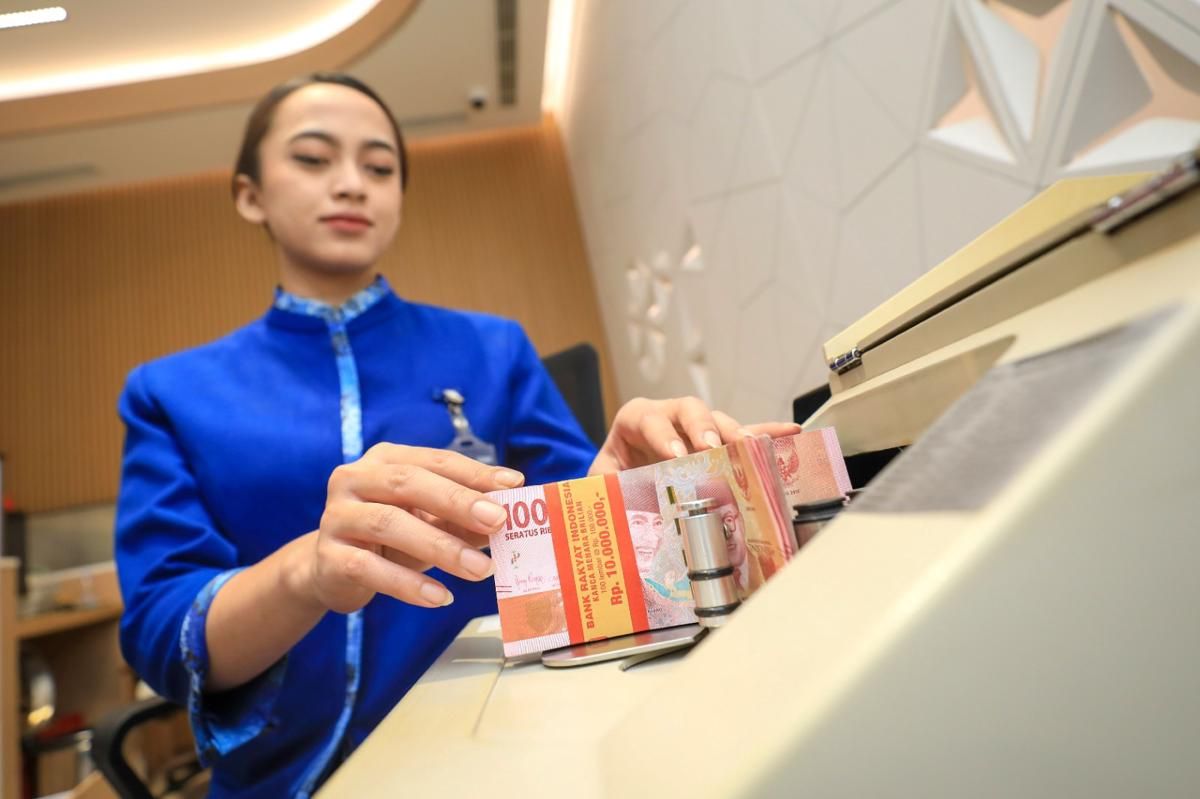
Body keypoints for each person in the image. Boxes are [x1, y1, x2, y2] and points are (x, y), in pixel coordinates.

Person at [114, 72, 799, 798]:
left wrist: (622, 501)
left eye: (380, 168)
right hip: (283, 777)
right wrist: (306, 572)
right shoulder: (171, 393)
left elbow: (583, 553)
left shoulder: (493, 350)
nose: (351, 184)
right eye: (313, 159)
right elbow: (164, 636)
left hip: (499, 747)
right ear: (250, 194)